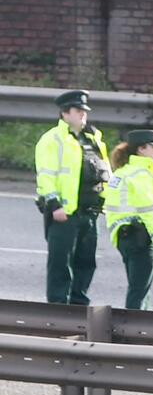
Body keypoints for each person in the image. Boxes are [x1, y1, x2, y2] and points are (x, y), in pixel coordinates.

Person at [34, 89, 112, 305]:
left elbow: (105, 172)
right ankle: (58, 309)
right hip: (64, 213)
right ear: (65, 113)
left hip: (90, 212)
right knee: (61, 263)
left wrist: (110, 201)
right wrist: (54, 204)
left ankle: (78, 307)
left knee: (86, 262)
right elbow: (46, 176)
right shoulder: (52, 139)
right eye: (78, 111)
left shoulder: (93, 139)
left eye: (84, 111)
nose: (83, 115)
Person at [105, 129, 153, 310]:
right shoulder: (141, 174)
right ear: (141, 149)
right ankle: (133, 332)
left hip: (124, 235)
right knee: (139, 292)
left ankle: (137, 329)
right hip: (141, 237)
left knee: (137, 288)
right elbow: (148, 210)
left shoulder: (122, 172)